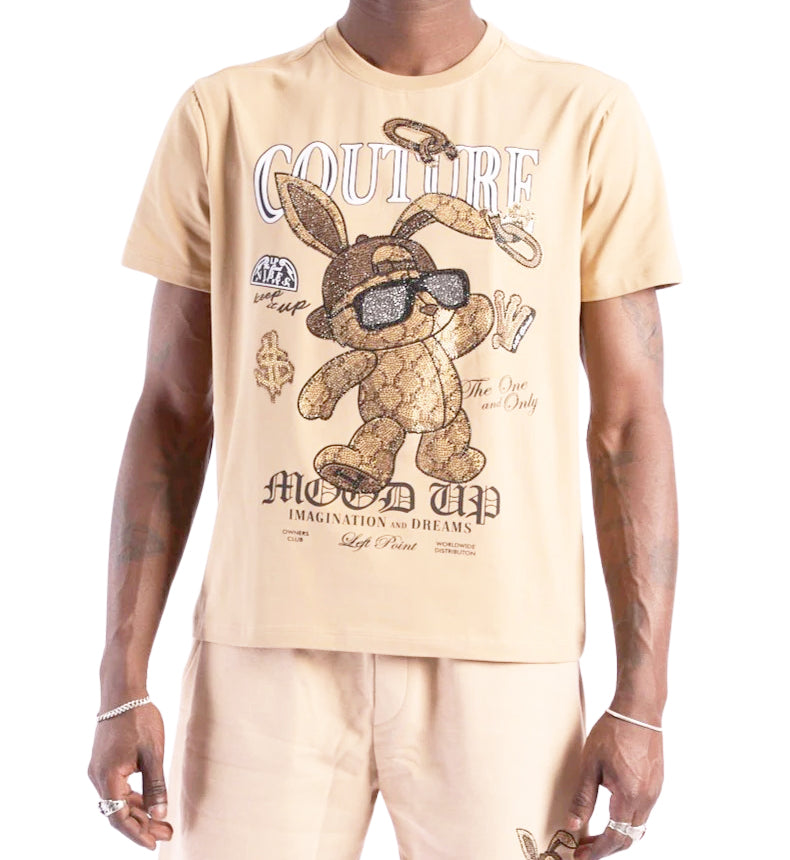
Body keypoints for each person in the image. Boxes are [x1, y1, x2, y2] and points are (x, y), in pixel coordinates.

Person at [87, 2, 681, 858]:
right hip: (263, 655)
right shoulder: (227, 113)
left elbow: (628, 422)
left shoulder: (585, 115)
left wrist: (642, 702)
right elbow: (172, 411)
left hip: (505, 657)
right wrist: (120, 682)